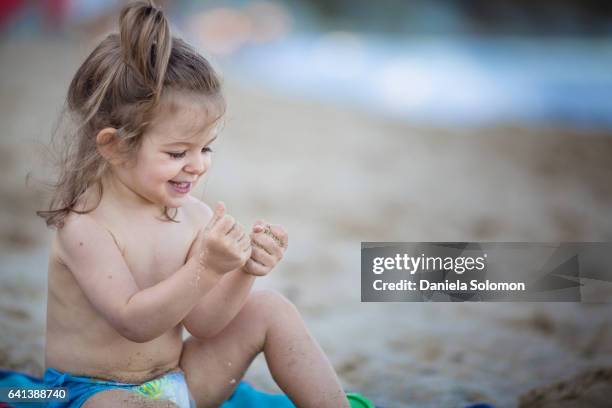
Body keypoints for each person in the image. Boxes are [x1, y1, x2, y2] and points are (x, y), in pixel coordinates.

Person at [37, 1, 350, 407]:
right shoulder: (86, 226)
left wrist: (243, 271)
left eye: (206, 147)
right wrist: (207, 266)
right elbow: (135, 322)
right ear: (114, 146)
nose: (198, 165)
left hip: (179, 379)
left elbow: (203, 324)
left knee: (271, 307)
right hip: (93, 390)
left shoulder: (194, 216)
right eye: (177, 152)